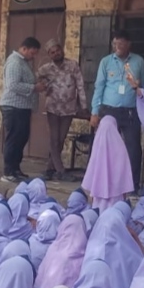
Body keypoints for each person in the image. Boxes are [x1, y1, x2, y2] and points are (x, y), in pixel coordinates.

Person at [90, 30, 144, 193]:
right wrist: (95, 112)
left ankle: (132, 186)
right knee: (105, 147)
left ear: (129, 44)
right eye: (115, 43)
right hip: (109, 111)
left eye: (121, 43)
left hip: (130, 112)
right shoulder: (106, 62)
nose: (117, 47)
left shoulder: (138, 61)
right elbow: (99, 87)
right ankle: (104, 183)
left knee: (133, 149)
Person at [37, 39, 87, 182]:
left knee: (60, 139)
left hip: (69, 109)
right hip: (52, 108)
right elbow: (35, 79)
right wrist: (44, 88)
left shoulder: (73, 65)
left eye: (57, 50)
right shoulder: (46, 69)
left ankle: (49, 169)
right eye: (52, 52)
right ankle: (60, 170)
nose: (56, 53)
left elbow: (80, 86)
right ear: (49, 55)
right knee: (54, 139)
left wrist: (84, 106)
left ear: (61, 50)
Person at [0, 36, 44, 183]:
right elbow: (12, 85)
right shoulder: (15, 62)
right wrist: (34, 88)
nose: (33, 56)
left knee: (21, 139)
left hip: (22, 107)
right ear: (24, 49)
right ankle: (8, 172)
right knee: (13, 139)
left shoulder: (23, 63)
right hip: (13, 106)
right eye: (32, 53)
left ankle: (15, 169)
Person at [80, 115, 134, 212]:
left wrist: (93, 190)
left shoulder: (97, 145)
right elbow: (124, 175)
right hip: (116, 197)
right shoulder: (121, 148)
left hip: (98, 196)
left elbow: (92, 169)